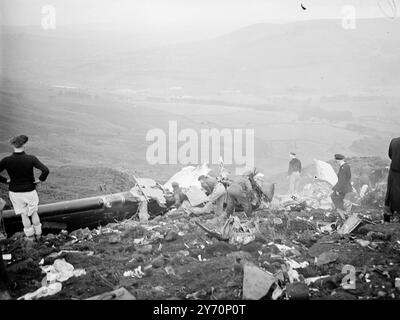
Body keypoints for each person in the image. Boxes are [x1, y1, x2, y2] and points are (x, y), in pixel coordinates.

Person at [0, 135, 49, 241]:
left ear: (13, 145)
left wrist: (5, 180)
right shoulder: (31, 158)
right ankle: (39, 235)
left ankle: (30, 237)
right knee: (34, 213)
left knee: (24, 215)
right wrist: (40, 179)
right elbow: (45, 170)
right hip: (30, 191)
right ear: (24, 145)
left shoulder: (6, 160)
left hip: (15, 192)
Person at [331, 154, 352, 221]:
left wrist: (337, 190)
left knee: (334, 198)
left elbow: (342, 181)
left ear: (338, 160)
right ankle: (343, 214)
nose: (336, 162)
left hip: (343, 188)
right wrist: (335, 188)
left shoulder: (343, 168)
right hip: (346, 187)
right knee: (336, 198)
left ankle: (343, 216)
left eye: (336, 161)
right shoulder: (346, 166)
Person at [384, 137, 400, 222]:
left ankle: (387, 217)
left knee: (390, 194)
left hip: (393, 172)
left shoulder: (394, 141)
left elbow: (390, 155)